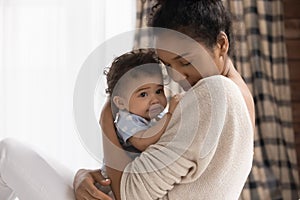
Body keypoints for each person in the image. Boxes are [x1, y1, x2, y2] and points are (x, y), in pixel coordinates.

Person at [0, 0, 254, 199]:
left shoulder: (214, 93)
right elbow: (149, 166)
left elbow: (131, 193)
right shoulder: (237, 97)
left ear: (221, 43)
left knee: (7, 154)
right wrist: (86, 177)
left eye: (185, 61)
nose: (176, 75)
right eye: (167, 64)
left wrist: (106, 119)